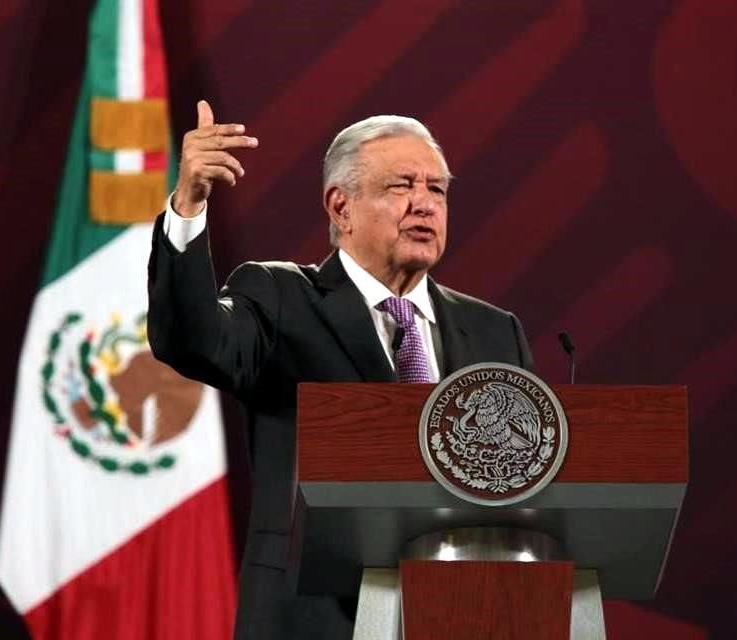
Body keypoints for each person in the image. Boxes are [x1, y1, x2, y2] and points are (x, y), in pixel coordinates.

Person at [147, 100, 534, 640]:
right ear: (341, 207)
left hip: (462, 615)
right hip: (313, 617)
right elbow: (193, 342)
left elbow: (527, 484)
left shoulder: (495, 331)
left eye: (437, 190)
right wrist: (188, 207)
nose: (425, 204)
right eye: (401, 186)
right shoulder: (280, 297)